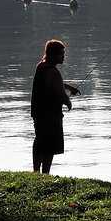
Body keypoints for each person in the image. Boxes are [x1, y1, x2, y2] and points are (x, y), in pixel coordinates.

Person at [30, 39, 80, 174]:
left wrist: (68, 87)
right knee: (50, 145)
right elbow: (59, 92)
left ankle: (36, 171)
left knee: (40, 140)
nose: (63, 56)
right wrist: (68, 102)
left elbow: (55, 83)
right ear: (53, 54)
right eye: (61, 54)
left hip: (38, 113)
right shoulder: (52, 71)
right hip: (50, 115)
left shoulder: (41, 66)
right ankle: (45, 173)